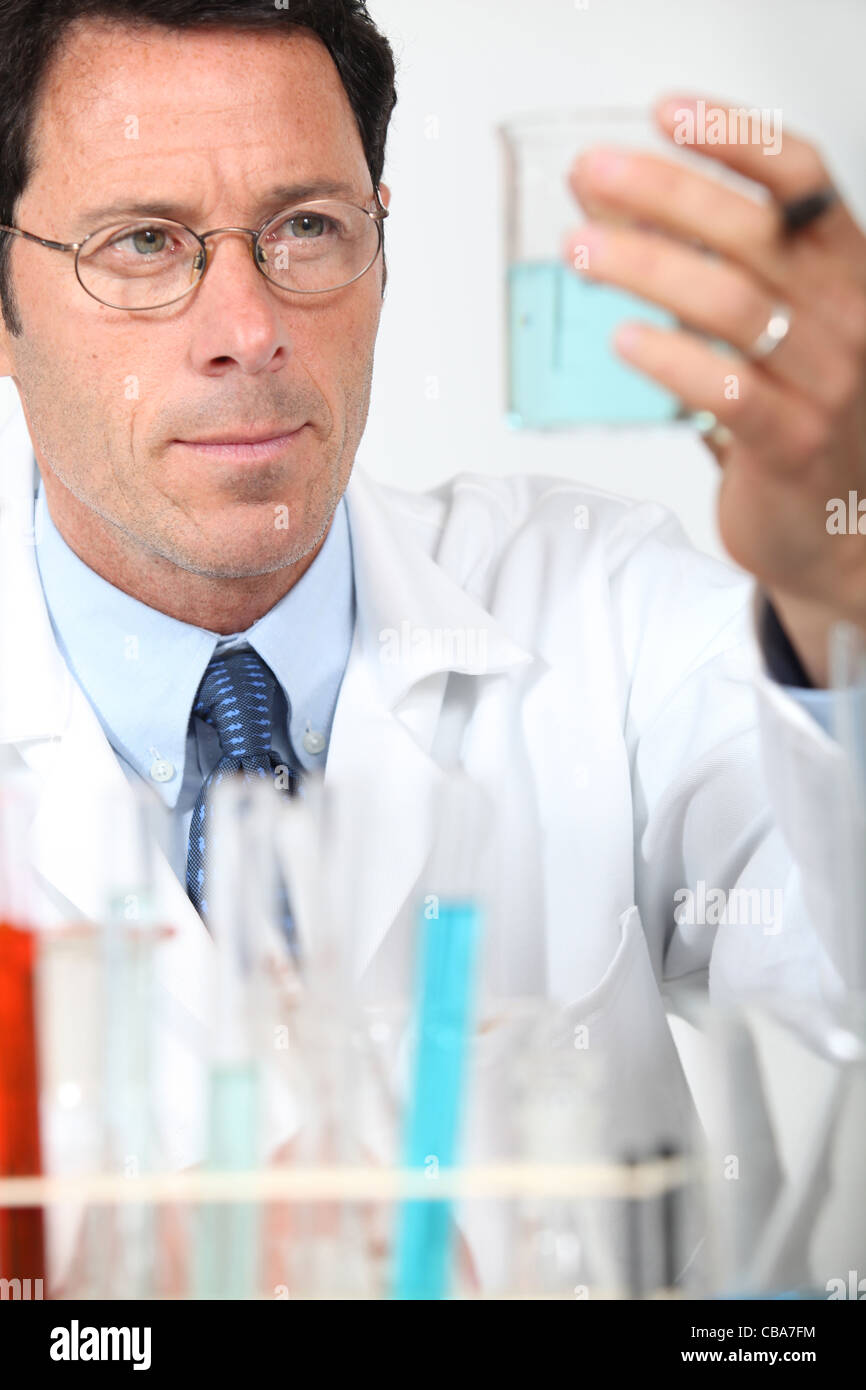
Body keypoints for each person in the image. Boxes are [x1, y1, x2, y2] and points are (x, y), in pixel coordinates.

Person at [0, 0, 862, 1290]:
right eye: (142, 242)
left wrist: (841, 585)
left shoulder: (601, 601)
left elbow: (839, 978)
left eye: (305, 228)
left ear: (382, 253)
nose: (247, 326)